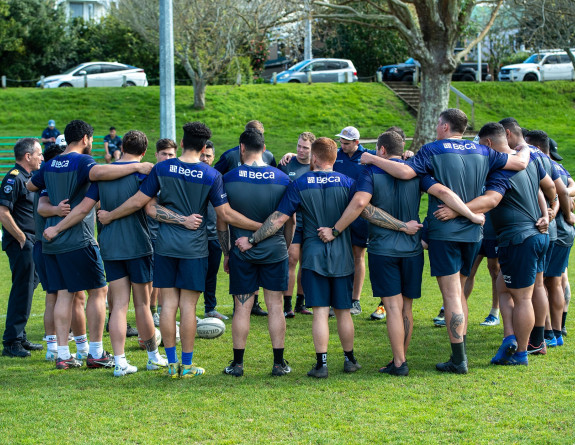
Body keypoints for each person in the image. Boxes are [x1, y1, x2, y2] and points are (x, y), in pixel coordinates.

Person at [360, 109, 530, 374]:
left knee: (451, 294)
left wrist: (370, 157)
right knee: (460, 292)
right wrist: (523, 145)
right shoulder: (483, 150)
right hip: (474, 234)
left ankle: (458, 358)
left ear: (443, 126)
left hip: (444, 232)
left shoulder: (432, 150)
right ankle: (459, 346)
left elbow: (406, 174)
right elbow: (520, 163)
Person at [97, 121, 261, 378]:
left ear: (182, 143)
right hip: (195, 250)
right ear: (205, 146)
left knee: (168, 306)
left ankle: (171, 364)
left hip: (164, 247)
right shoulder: (211, 175)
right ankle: (186, 365)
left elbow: (146, 205)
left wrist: (110, 215)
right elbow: (225, 214)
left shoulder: (163, 168)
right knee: (188, 309)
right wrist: (260, 227)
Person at [321, 131, 484, 376]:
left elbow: (359, 205)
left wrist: (335, 230)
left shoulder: (370, 171)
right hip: (412, 250)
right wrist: (470, 214)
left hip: (382, 250)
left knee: (393, 308)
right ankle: (400, 359)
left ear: (382, 150)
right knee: (406, 308)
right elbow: (445, 194)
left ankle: (400, 362)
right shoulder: (416, 172)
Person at [27, 119, 153, 370]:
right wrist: (137, 166)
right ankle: (95, 351)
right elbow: (99, 173)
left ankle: (63, 354)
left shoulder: (50, 164)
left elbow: (31, 184)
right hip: (78, 238)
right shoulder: (84, 162)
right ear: (85, 139)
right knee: (99, 291)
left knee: (64, 294)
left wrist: (54, 203)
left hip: (52, 243)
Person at [236, 137, 363, 379]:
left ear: (314, 158)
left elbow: (280, 219)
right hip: (343, 256)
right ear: (335, 158)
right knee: (343, 311)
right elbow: (365, 209)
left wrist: (252, 239)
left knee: (320, 312)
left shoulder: (301, 183)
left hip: (314, 257)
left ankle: (321, 364)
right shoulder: (349, 182)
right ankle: (350, 359)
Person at [435, 122, 556, 366]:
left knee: (522, 297)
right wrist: (549, 212)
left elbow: (490, 200)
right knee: (503, 286)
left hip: (519, 238)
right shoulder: (529, 159)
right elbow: (548, 188)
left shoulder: (500, 169)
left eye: (481, 146)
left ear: (488, 143)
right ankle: (510, 339)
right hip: (537, 236)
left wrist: (457, 211)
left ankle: (522, 352)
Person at [219, 128, 292, 377]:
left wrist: (227, 251)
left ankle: (238, 364)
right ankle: (278, 363)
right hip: (275, 252)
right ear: (264, 148)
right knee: (275, 306)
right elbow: (288, 220)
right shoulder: (282, 179)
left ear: (241, 148)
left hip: (241, 251)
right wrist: (284, 243)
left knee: (242, 308)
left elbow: (222, 220)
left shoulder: (227, 178)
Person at [214, 120, 276, 317]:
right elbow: (216, 176)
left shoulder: (269, 157)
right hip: (248, 226)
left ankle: (253, 304)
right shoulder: (230, 156)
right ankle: (241, 305)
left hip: (250, 227)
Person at [525, 129, 574, 348]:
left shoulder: (539, 162)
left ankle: (547, 333)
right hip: (563, 233)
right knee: (555, 281)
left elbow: (562, 192)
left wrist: (564, 213)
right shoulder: (559, 166)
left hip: (554, 230)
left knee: (543, 283)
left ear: (534, 146)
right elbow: (569, 189)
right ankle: (556, 331)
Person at [0, 138, 44, 357]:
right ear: (28, 156)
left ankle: (20, 335)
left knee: (28, 288)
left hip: (31, 242)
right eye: (39, 154)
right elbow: (3, 212)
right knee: (22, 289)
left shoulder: (30, 178)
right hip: (22, 243)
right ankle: (11, 342)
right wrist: (21, 238)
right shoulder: (14, 178)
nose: (42, 157)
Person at [278, 132, 314, 317]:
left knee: (306, 263)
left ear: (312, 149)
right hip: (291, 221)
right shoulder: (286, 164)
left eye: (305, 147)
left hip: (310, 222)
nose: (300, 150)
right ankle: (287, 306)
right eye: (299, 146)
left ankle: (301, 303)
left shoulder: (316, 165)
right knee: (291, 260)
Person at [148, 138, 178, 326]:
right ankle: (151, 312)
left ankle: (161, 311)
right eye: (164, 154)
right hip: (149, 234)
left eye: (171, 154)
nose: (167, 157)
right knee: (152, 278)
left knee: (166, 278)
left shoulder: (176, 177)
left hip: (170, 234)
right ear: (156, 155)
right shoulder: (150, 174)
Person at [201, 140, 228, 320]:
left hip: (214, 236)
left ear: (213, 158)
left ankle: (210, 309)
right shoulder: (191, 175)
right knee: (192, 276)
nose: (204, 158)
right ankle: (185, 312)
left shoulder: (218, 177)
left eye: (208, 156)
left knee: (211, 275)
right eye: (201, 154)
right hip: (194, 235)